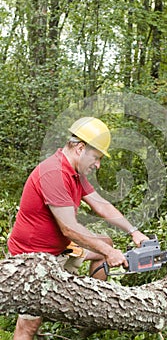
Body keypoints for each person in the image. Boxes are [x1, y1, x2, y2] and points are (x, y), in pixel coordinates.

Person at [7, 116, 149, 340]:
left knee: (106, 243)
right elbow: (70, 229)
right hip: (32, 258)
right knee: (28, 326)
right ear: (80, 148)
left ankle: (87, 307)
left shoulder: (75, 174)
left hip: (60, 250)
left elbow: (101, 204)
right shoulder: (53, 174)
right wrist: (111, 254)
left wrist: (133, 231)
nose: (98, 164)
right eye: (96, 157)